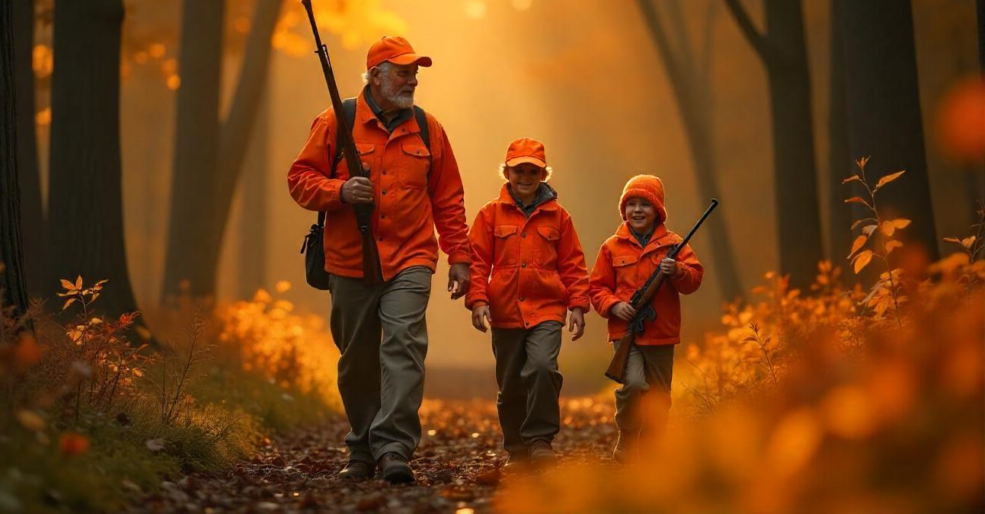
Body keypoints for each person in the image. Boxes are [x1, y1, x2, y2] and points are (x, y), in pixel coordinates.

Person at [287, 36, 472, 484]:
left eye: (415, 73)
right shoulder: (337, 121)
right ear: (375, 76)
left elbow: (448, 200)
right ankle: (363, 447)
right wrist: (340, 191)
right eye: (403, 72)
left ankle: (393, 449)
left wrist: (460, 258)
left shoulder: (430, 129)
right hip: (349, 261)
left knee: (404, 346)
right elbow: (299, 179)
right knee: (357, 360)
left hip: (411, 257)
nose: (412, 80)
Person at [465, 138, 589, 468]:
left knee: (543, 368)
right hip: (504, 311)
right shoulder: (489, 215)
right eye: (519, 170)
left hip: (548, 308)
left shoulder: (559, 217)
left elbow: (573, 264)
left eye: (532, 171)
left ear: (543, 175)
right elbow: (476, 261)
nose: (525, 177)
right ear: (507, 172)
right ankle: (517, 449)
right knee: (510, 384)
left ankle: (540, 440)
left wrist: (578, 305)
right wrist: (477, 300)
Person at [588, 175, 703, 462]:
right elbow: (597, 287)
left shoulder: (674, 245)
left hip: (662, 333)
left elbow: (693, 280)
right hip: (625, 332)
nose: (637, 210)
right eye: (632, 204)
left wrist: (677, 270)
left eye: (645, 205)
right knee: (634, 385)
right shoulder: (611, 247)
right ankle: (627, 437)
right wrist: (614, 306)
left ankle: (653, 449)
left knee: (659, 397)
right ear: (624, 210)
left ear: (658, 211)